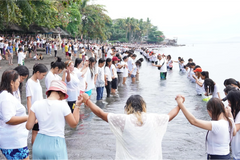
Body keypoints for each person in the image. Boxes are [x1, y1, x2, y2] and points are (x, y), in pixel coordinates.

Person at [79, 93, 180, 159]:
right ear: (143, 106)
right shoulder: (153, 118)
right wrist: (180, 104)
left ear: (128, 107)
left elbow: (101, 114)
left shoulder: (123, 120)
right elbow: (170, 116)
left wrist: (87, 101)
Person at [26, 80, 81, 160]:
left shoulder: (36, 104)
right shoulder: (63, 105)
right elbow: (73, 124)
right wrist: (77, 105)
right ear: (61, 93)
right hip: (56, 145)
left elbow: (28, 126)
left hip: (38, 144)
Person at [176, 95, 235, 160]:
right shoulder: (230, 121)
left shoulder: (217, 125)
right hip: (226, 156)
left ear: (210, 111)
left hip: (216, 157)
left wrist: (180, 103)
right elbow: (234, 133)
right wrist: (229, 113)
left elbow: (193, 121)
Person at [0, 70, 29, 160]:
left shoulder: (7, 95)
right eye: (18, 82)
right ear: (12, 82)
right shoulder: (6, 97)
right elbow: (8, 119)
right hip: (13, 141)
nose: (19, 84)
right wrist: (28, 117)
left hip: (15, 140)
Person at [26, 63, 48, 144]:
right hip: (34, 111)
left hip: (41, 109)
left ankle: (39, 147)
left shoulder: (37, 81)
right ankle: (35, 149)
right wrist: (30, 114)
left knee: (40, 130)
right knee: (35, 132)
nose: (43, 77)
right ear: (37, 72)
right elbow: (28, 99)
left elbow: (40, 96)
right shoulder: (29, 82)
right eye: (43, 75)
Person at [225, 91, 240, 160]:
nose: (229, 104)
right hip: (236, 152)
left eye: (230, 102)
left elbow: (234, 130)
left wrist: (230, 115)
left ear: (236, 101)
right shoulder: (236, 112)